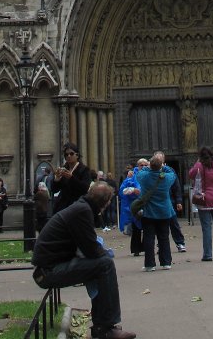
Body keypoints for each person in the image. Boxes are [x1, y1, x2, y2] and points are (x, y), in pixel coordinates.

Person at [32, 181, 136, 339]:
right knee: (105, 264)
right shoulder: (82, 211)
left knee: (100, 267)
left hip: (50, 267)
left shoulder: (82, 207)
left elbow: (89, 246)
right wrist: (105, 253)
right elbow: (91, 249)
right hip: (48, 272)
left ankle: (102, 327)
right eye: (109, 201)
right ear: (105, 202)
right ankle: (107, 327)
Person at [136, 151, 176, 270]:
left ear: (150, 165)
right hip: (164, 212)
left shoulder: (144, 177)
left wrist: (149, 167)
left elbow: (140, 172)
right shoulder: (167, 178)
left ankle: (149, 264)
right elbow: (172, 173)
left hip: (148, 212)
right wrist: (163, 166)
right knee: (164, 237)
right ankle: (166, 262)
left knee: (149, 238)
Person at [52, 143, 94, 213]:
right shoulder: (63, 169)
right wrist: (56, 180)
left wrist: (71, 178)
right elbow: (54, 190)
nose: (69, 156)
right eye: (66, 154)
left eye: (71, 154)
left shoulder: (84, 170)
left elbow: (85, 188)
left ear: (77, 155)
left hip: (77, 206)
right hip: (63, 207)